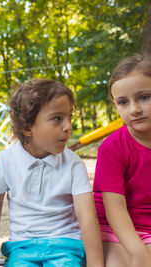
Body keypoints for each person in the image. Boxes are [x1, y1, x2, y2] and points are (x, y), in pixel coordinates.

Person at [0, 79, 104, 267]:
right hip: (21, 248)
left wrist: (96, 264)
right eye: (57, 118)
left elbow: (87, 217)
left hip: (66, 246)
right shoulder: (5, 160)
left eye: (70, 117)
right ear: (28, 127)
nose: (68, 126)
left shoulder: (73, 164)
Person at [93, 54, 151, 267]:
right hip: (115, 228)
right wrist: (139, 252)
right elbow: (115, 209)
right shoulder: (112, 148)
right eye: (123, 102)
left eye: (144, 97)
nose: (134, 109)